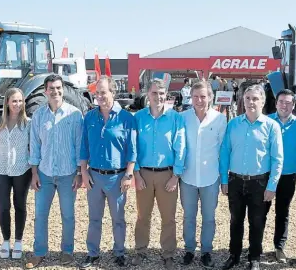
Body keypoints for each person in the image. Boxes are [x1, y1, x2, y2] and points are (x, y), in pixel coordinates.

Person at [220, 84, 283, 270]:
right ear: (242, 101)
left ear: (263, 101)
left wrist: (272, 186)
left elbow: (277, 159)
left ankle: (254, 257)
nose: (251, 102)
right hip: (235, 181)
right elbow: (225, 152)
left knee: (257, 222)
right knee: (235, 221)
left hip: (260, 183)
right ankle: (234, 255)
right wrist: (224, 179)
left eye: (255, 98)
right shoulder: (233, 124)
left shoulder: (272, 127)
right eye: (247, 98)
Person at [25, 74, 83, 269]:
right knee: (40, 215)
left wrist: (79, 173)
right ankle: (39, 252)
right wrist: (34, 173)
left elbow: (79, 145)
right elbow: (34, 146)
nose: (56, 91)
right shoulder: (39, 116)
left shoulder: (75, 115)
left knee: (68, 215)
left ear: (63, 89)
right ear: (45, 91)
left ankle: (67, 251)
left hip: (68, 175)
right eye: (52, 88)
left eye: (59, 88)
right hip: (44, 174)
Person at [79, 76, 137, 269]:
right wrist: (84, 173)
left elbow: (132, 149)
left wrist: (128, 175)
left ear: (113, 92)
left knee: (118, 219)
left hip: (117, 177)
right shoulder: (89, 117)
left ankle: (119, 252)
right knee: (94, 218)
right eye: (97, 93)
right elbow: (84, 147)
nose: (100, 96)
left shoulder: (127, 118)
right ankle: (92, 253)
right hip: (94, 176)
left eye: (104, 92)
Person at [131, 79, 185, 270]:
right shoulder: (138, 118)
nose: (158, 97)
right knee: (142, 216)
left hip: (167, 175)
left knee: (168, 217)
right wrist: (136, 174)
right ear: (148, 94)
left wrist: (175, 176)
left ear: (166, 95)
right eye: (154, 93)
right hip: (144, 174)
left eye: (162, 93)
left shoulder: (176, 118)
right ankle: (140, 250)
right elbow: (133, 147)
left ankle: (169, 253)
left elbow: (181, 148)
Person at [180, 81, 227, 268]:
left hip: (211, 178)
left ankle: (206, 251)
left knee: (209, 218)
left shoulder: (220, 119)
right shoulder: (182, 117)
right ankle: (189, 250)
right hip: (188, 177)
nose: (199, 100)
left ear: (210, 97)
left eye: (203, 96)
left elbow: (223, 151)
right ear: (191, 98)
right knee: (188, 217)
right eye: (196, 96)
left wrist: (224, 179)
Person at [0, 88, 32, 260]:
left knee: (20, 205)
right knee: (3, 207)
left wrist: (35, 173)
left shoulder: (29, 123)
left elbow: (33, 150)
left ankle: (18, 241)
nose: (17, 104)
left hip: (22, 170)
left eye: (20, 101)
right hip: (0, 170)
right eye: (14, 101)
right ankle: (5, 241)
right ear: (7, 102)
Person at [264, 89, 296, 263]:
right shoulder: (266, 121)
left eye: (289, 102)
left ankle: (279, 247)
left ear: (294, 105)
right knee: (261, 211)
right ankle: (255, 245)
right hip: (267, 174)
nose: (284, 105)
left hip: (288, 175)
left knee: (283, 212)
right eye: (281, 101)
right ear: (276, 103)